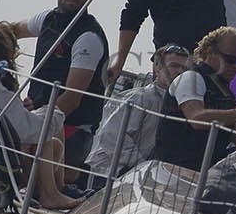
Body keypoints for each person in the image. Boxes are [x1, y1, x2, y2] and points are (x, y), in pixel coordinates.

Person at [9, 0, 110, 172]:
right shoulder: (47, 19)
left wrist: (33, 122)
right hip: (39, 116)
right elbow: (11, 32)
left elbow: (71, 100)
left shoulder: (88, 37)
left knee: (23, 151)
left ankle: (45, 192)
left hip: (71, 130)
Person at [152, 27, 236, 170]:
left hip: (209, 166)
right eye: (230, 60)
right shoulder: (191, 78)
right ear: (210, 52)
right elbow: (196, 118)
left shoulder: (225, 91)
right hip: (177, 168)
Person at [71, 44, 191, 194]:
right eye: (174, 66)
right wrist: (142, 166)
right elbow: (111, 136)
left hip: (134, 179)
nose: (180, 72)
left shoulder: (178, 106)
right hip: (104, 174)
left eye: (185, 69)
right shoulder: (139, 98)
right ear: (158, 69)